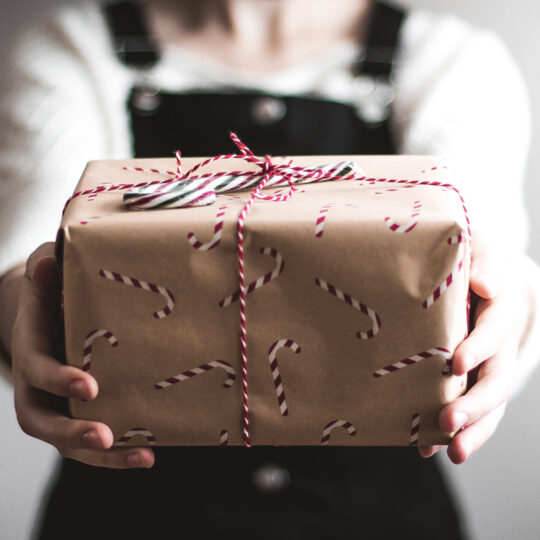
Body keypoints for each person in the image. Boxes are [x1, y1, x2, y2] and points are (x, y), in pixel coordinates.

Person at [0, 0, 538, 537]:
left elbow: (486, 256)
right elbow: (32, 256)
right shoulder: (72, 50)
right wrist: (25, 310)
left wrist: (507, 303)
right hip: (126, 518)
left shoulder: (450, 62)